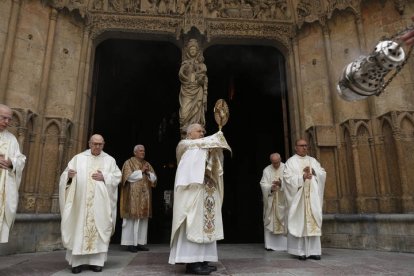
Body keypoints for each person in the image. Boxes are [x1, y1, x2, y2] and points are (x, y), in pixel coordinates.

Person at [169, 123, 231, 275]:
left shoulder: (201, 146)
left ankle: (203, 260)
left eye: (203, 131)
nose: (202, 133)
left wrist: (215, 153)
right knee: (194, 227)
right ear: (189, 134)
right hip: (192, 196)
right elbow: (193, 166)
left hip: (206, 194)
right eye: (199, 131)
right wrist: (215, 139)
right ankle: (193, 263)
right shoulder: (186, 146)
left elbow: (214, 165)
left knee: (207, 226)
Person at [59, 134, 121, 274]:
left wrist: (105, 176)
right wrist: (68, 177)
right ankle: (77, 263)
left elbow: (117, 176)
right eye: (95, 144)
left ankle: (96, 262)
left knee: (99, 229)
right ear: (89, 143)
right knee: (79, 228)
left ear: (103, 144)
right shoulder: (78, 158)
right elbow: (65, 176)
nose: (97, 146)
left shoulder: (110, 160)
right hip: (80, 205)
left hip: (101, 205)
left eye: (100, 144)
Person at [283, 139, 326, 261]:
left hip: (311, 198)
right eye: (301, 146)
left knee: (312, 221)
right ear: (296, 147)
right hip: (299, 199)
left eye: (306, 145)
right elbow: (287, 179)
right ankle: (300, 251)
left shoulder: (312, 161)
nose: (304, 147)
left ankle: (314, 251)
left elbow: (322, 173)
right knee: (300, 222)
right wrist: (302, 177)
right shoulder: (290, 162)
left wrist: (314, 172)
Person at [120, 144, 157, 252]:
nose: (143, 152)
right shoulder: (129, 163)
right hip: (132, 197)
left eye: (144, 151)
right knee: (132, 220)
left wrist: (148, 173)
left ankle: (140, 242)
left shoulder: (147, 164)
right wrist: (141, 171)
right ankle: (130, 243)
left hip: (144, 197)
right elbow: (127, 177)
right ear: (135, 152)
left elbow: (154, 179)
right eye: (140, 151)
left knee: (143, 220)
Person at [0, 104, 26, 243]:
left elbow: (20, 159)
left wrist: (11, 162)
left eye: (9, 119)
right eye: (4, 118)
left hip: (3, 191)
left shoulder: (11, 139)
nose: (7, 122)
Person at [178, 39, 208, 136]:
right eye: (191, 50)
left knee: (197, 110)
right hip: (187, 89)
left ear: (197, 52)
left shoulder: (201, 65)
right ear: (188, 51)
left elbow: (204, 78)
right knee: (184, 112)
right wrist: (187, 75)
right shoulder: (185, 63)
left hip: (197, 90)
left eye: (194, 50)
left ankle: (197, 130)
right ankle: (186, 129)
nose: (192, 51)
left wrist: (200, 79)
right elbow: (181, 75)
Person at [259, 153, 287, 251]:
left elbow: (290, 183)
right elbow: (263, 184)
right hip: (271, 201)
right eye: (274, 163)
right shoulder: (267, 170)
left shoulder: (286, 168)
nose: (275, 165)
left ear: (280, 160)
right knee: (270, 220)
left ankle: (285, 245)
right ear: (271, 162)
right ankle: (271, 245)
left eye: (277, 162)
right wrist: (270, 188)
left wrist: (281, 184)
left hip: (282, 200)